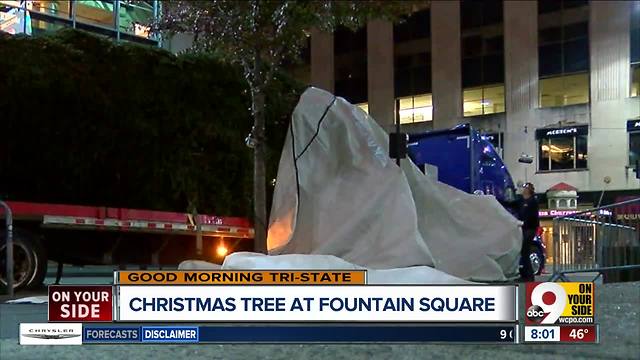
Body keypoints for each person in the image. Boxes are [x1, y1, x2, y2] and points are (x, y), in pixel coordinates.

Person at [517, 182, 539, 282]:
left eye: (526, 188)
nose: (523, 189)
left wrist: (524, 223)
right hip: (525, 228)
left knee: (525, 251)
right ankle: (526, 274)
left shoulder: (533, 202)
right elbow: (512, 204)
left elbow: (532, 216)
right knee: (524, 251)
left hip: (530, 229)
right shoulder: (521, 201)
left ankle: (528, 275)